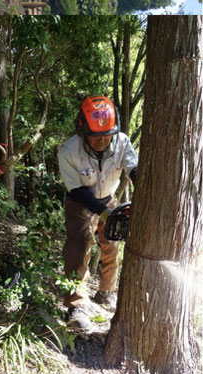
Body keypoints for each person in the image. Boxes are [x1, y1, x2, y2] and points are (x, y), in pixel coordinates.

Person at [58, 95, 138, 330]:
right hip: (79, 199)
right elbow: (78, 191)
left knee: (113, 242)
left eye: (106, 135)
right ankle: (76, 304)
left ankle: (106, 292)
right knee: (79, 244)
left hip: (108, 196)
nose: (101, 141)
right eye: (95, 136)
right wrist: (102, 212)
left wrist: (140, 187)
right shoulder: (69, 151)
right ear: (83, 129)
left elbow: (134, 169)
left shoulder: (122, 142)